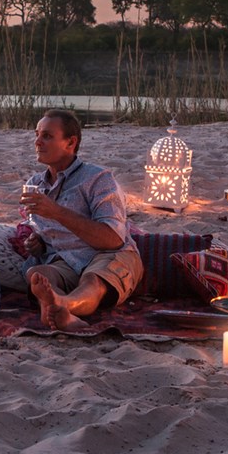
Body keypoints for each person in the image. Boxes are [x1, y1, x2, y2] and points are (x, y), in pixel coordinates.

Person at [20, 109, 144, 329]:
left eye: (47, 136)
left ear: (71, 142)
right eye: (37, 134)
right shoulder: (36, 184)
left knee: (92, 280)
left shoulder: (97, 178)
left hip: (106, 254)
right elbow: (40, 231)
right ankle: (59, 312)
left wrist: (56, 212)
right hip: (65, 259)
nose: (37, 142)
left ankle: (61, 305)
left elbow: (113, 239)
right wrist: (37, 242)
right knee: (38, 274)